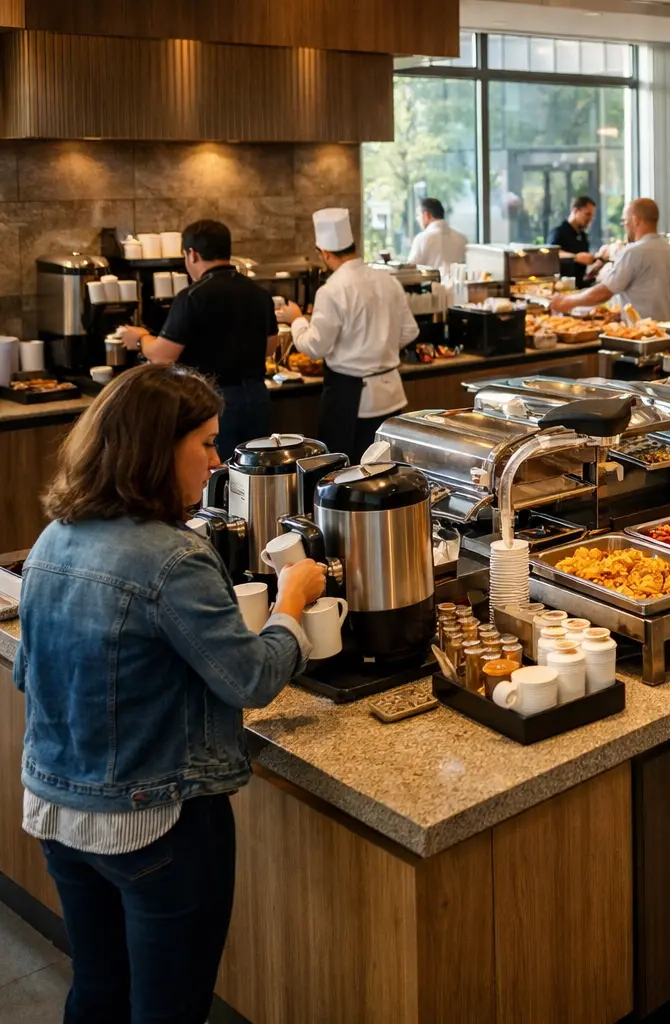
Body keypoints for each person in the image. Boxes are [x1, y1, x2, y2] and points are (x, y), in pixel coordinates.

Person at [16, 363, 327, 1023]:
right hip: (153, 823)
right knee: (169, 1010)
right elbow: (250, 677)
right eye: (207, 444)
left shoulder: (50, 541)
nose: (216, 463)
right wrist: (292, 604)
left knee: (97, 992)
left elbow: (32, 675)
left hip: (57, 811)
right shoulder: (173, 557)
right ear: (160, 451)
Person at [117, 220, 279, 460]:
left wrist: (140, 339)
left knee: (214, 476)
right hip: (256, 397)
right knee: (252, 472)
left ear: (191, 254)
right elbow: (270, 347)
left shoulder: (192, 296)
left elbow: (163, 355)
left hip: (213, 400)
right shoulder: (258, 293)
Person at [276, 208, 419, 461]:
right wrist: (379, 347)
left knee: (345, 474)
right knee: (388, 469)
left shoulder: (332, 289)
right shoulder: (387, 280)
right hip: (391, 394)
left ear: (326, 254)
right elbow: (410, 330)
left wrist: (297, 319)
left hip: (350, 397)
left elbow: (316, 347)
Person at [548, 198, 670, 322]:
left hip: (638, 334)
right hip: (666, 332)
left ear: (636, 220)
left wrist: (567, 301)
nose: (625, 227)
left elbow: (604, 292)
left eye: (625, 221)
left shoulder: (633, 252)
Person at [405, 197, 467, 276]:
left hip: (431, 287)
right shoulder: (462, 238)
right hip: (457, 287)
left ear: (426, 215)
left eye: (418, 215)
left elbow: (410, 270)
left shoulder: (423, 238)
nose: (417, 219)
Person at [547, 195, 598, 282]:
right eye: (587, 214)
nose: (590, 219)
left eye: (592, 216)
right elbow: (551, 254)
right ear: (575, 211)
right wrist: (576, 257)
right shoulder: (558, 232)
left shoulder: (583, 236)